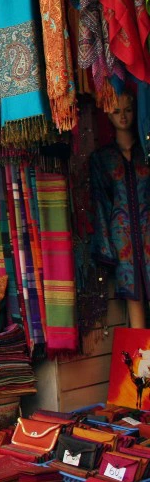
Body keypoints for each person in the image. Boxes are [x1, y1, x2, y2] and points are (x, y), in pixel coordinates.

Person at [91, 92, 150, 329]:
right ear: (107, 113)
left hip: (148, 233)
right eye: (116, 111)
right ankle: (143, 366)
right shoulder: (103, 158)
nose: (123, 117)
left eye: (128, 110)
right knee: (134, 304)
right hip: (122, 240)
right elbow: (101, 205)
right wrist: (106, 248)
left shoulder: (145, 153)